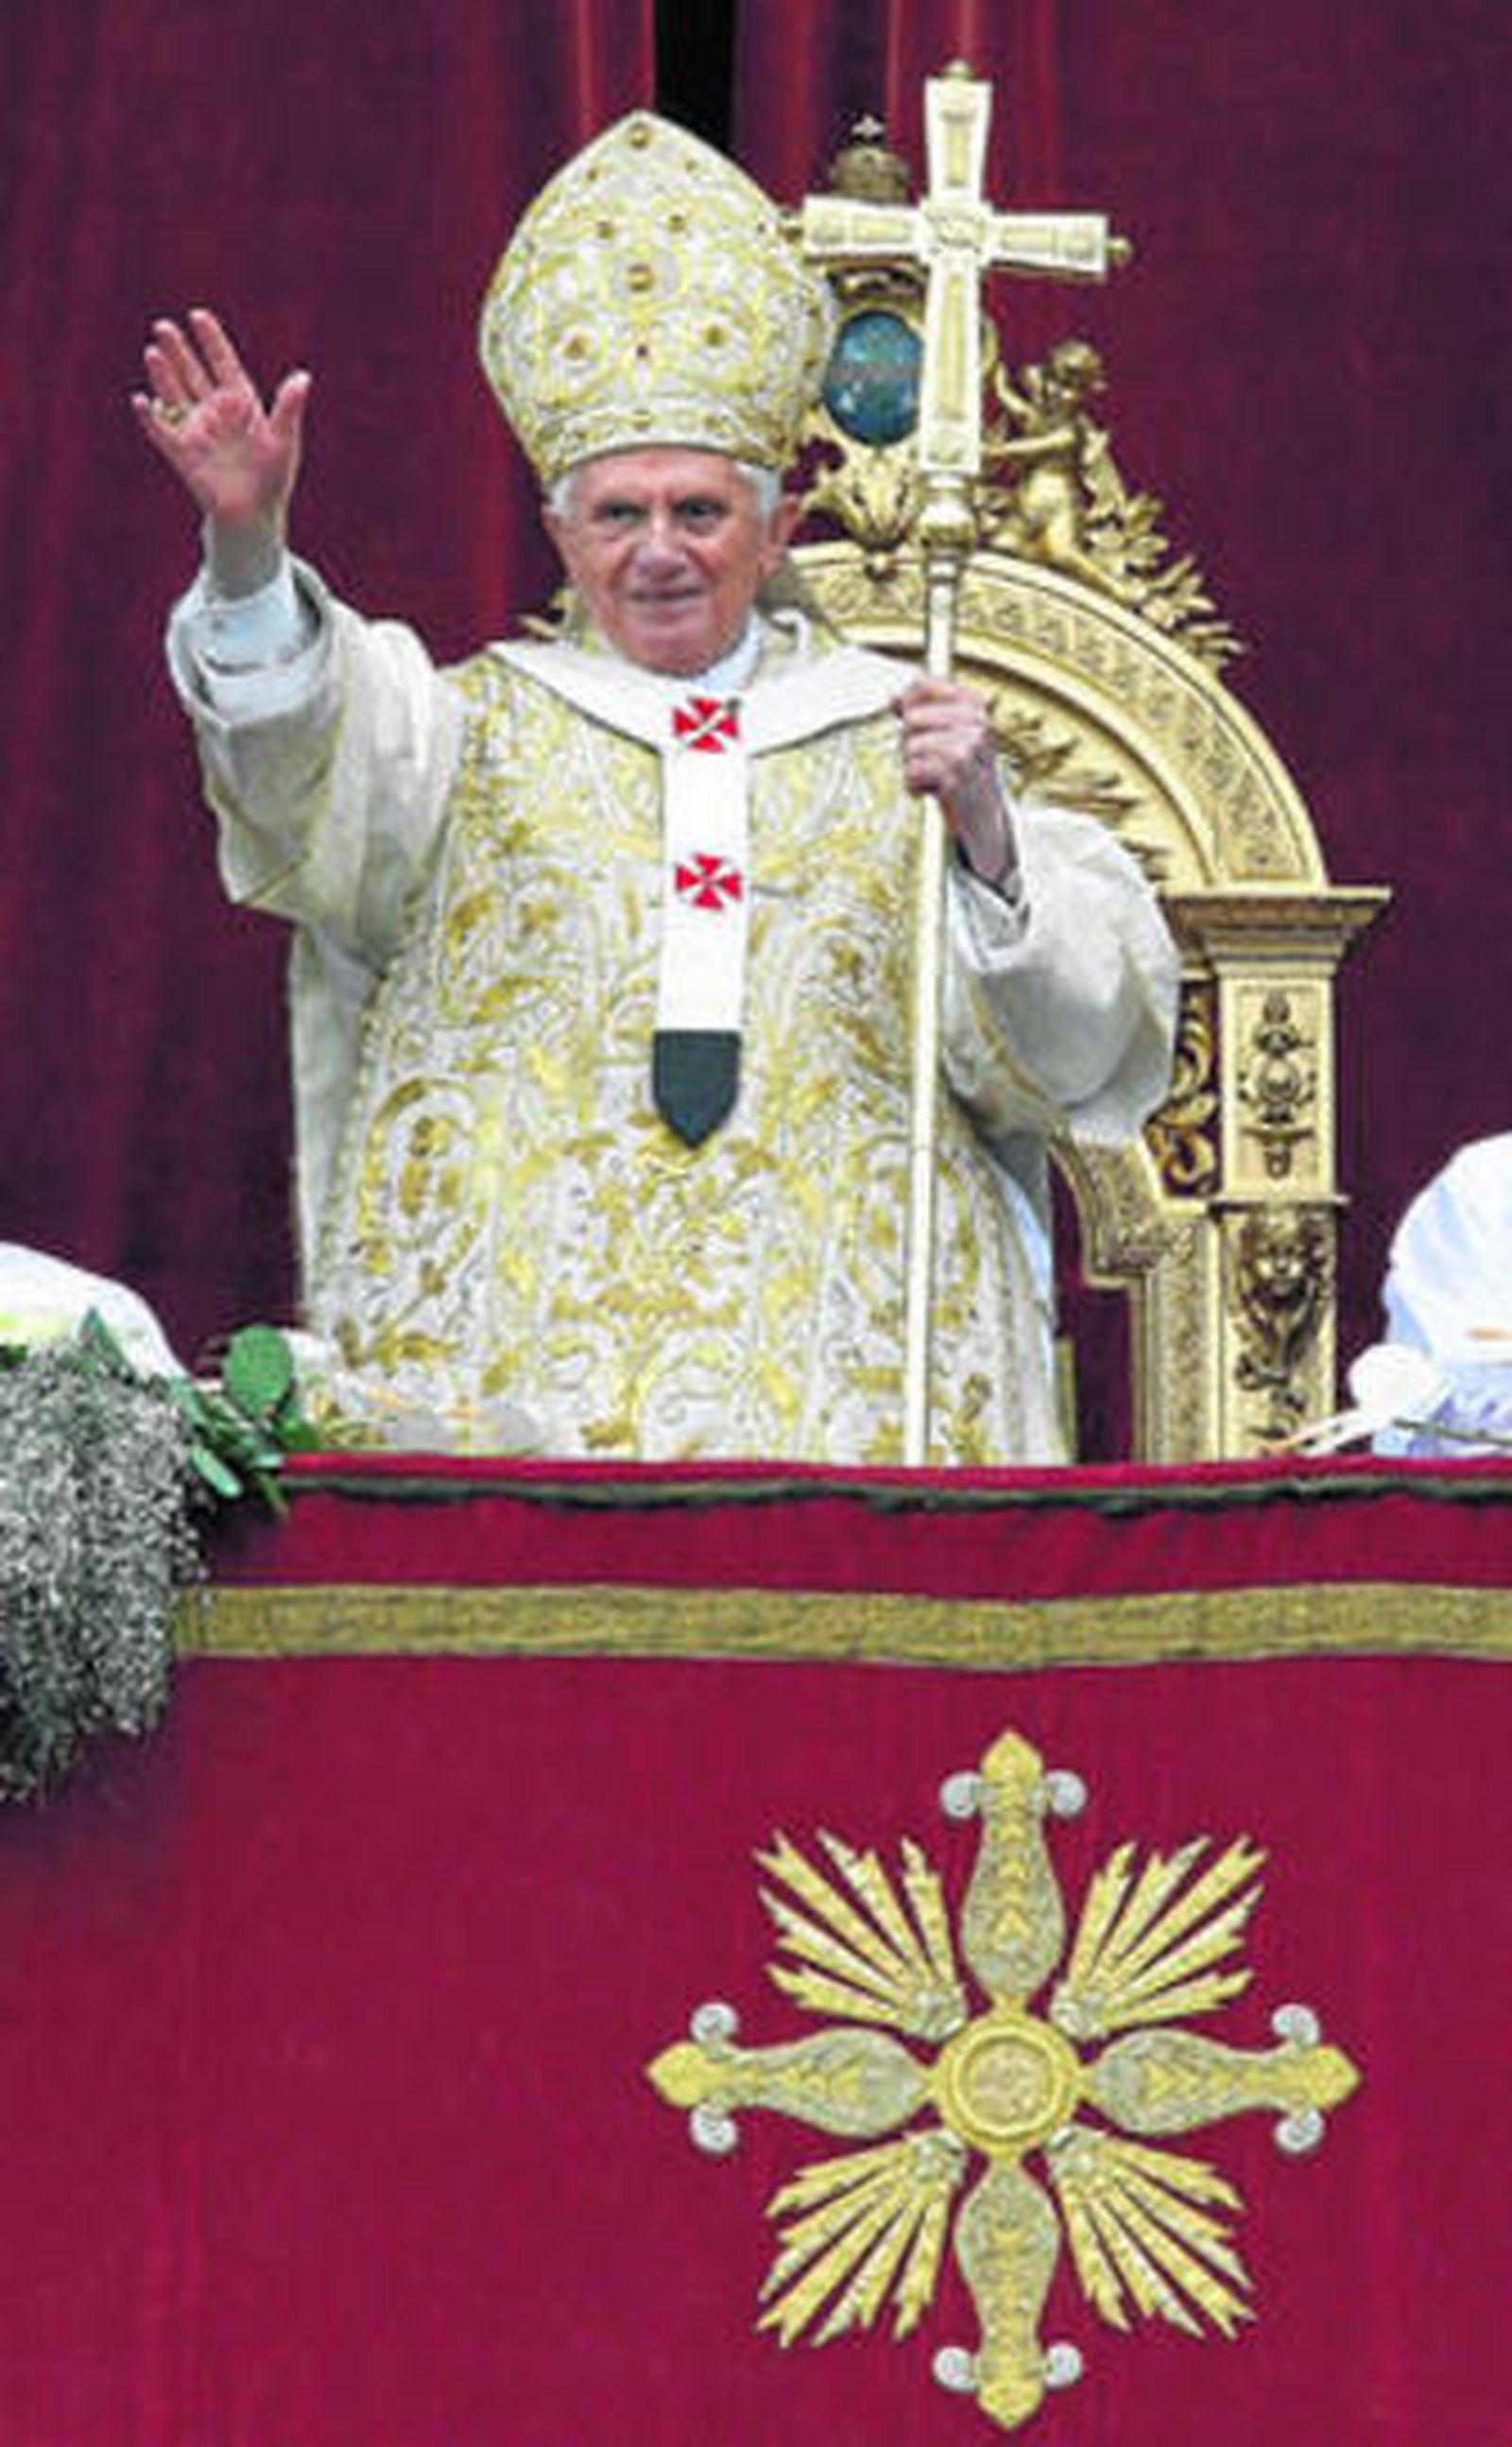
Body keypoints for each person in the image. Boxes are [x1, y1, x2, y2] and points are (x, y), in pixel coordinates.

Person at [135, 112, 1177, 1465]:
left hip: (851, 1416)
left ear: (779, 527)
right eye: (618, 515)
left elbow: (1066, 1056)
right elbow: (293, 764)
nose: (659, 552)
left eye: (699, 511)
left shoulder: (905, 744)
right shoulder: (454, 734)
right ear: (560, 533)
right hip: (513, 1408)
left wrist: (987, 842)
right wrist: (246, 550)